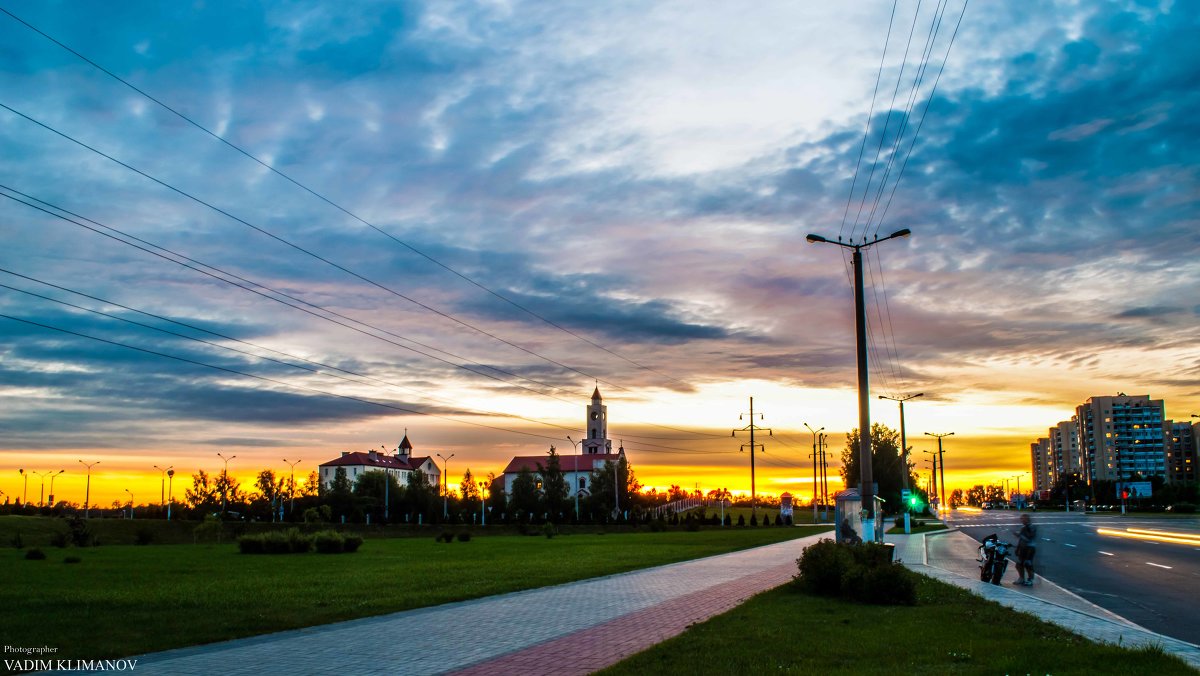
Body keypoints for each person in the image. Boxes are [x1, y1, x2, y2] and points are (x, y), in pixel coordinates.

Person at [1012, 513, 1037, 586]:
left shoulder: (1031, 527)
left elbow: (1030, 537)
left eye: (1023, 519)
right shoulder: (1023, 527)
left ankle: (1030, 579)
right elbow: (1021, 539)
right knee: (1019, 564)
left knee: (1028, 564)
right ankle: (1021, 578)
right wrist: (1018, 548)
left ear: (1027, 519)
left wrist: (1020, 534)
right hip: (1022, 548)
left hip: (1030, 548)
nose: (1022, 520)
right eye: (1021, 519)